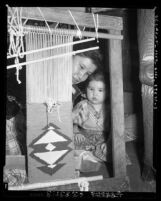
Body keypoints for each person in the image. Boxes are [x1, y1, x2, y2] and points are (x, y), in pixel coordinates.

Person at [72, 71, 111, 173]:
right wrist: (76, 132)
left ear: (108, 92)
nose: (95, 94)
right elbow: (74, 121)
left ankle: (92, 158)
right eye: (91, 89)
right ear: (86, 89)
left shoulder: (109, 107)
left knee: (110, 150)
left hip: (103, 137)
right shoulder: (82, 105)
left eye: (100, 90)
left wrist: (109, 141)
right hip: (84, 135)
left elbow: (114, 127)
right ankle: (84, 158)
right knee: (72, 145)